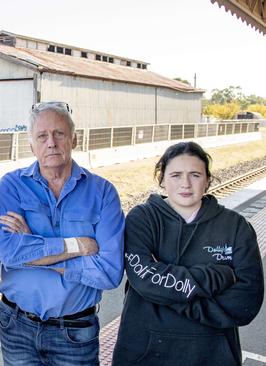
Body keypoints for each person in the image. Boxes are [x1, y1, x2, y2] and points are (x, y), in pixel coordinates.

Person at [0, 101, 125, 365]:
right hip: (16, 326)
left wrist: (36, 249)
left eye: (59, 134)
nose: (51, 142)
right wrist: (78, 245)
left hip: (75, 331)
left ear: (74, 139)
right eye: (42, 136)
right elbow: (11, 254)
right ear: (31, 145)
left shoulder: (102, 192)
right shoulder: (12, 185)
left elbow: (109, 273)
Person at [112, 141, 264, 366]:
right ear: (162, 179)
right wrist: (217, 277)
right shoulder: (142, 220)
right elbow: (144, 279)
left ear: (208, 180)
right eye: (175, 175)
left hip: (213, 355)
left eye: (195, 174)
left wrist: (164, 298)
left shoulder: (236, 227)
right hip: (143, 355)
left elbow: (245, 303)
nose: (185, 184)